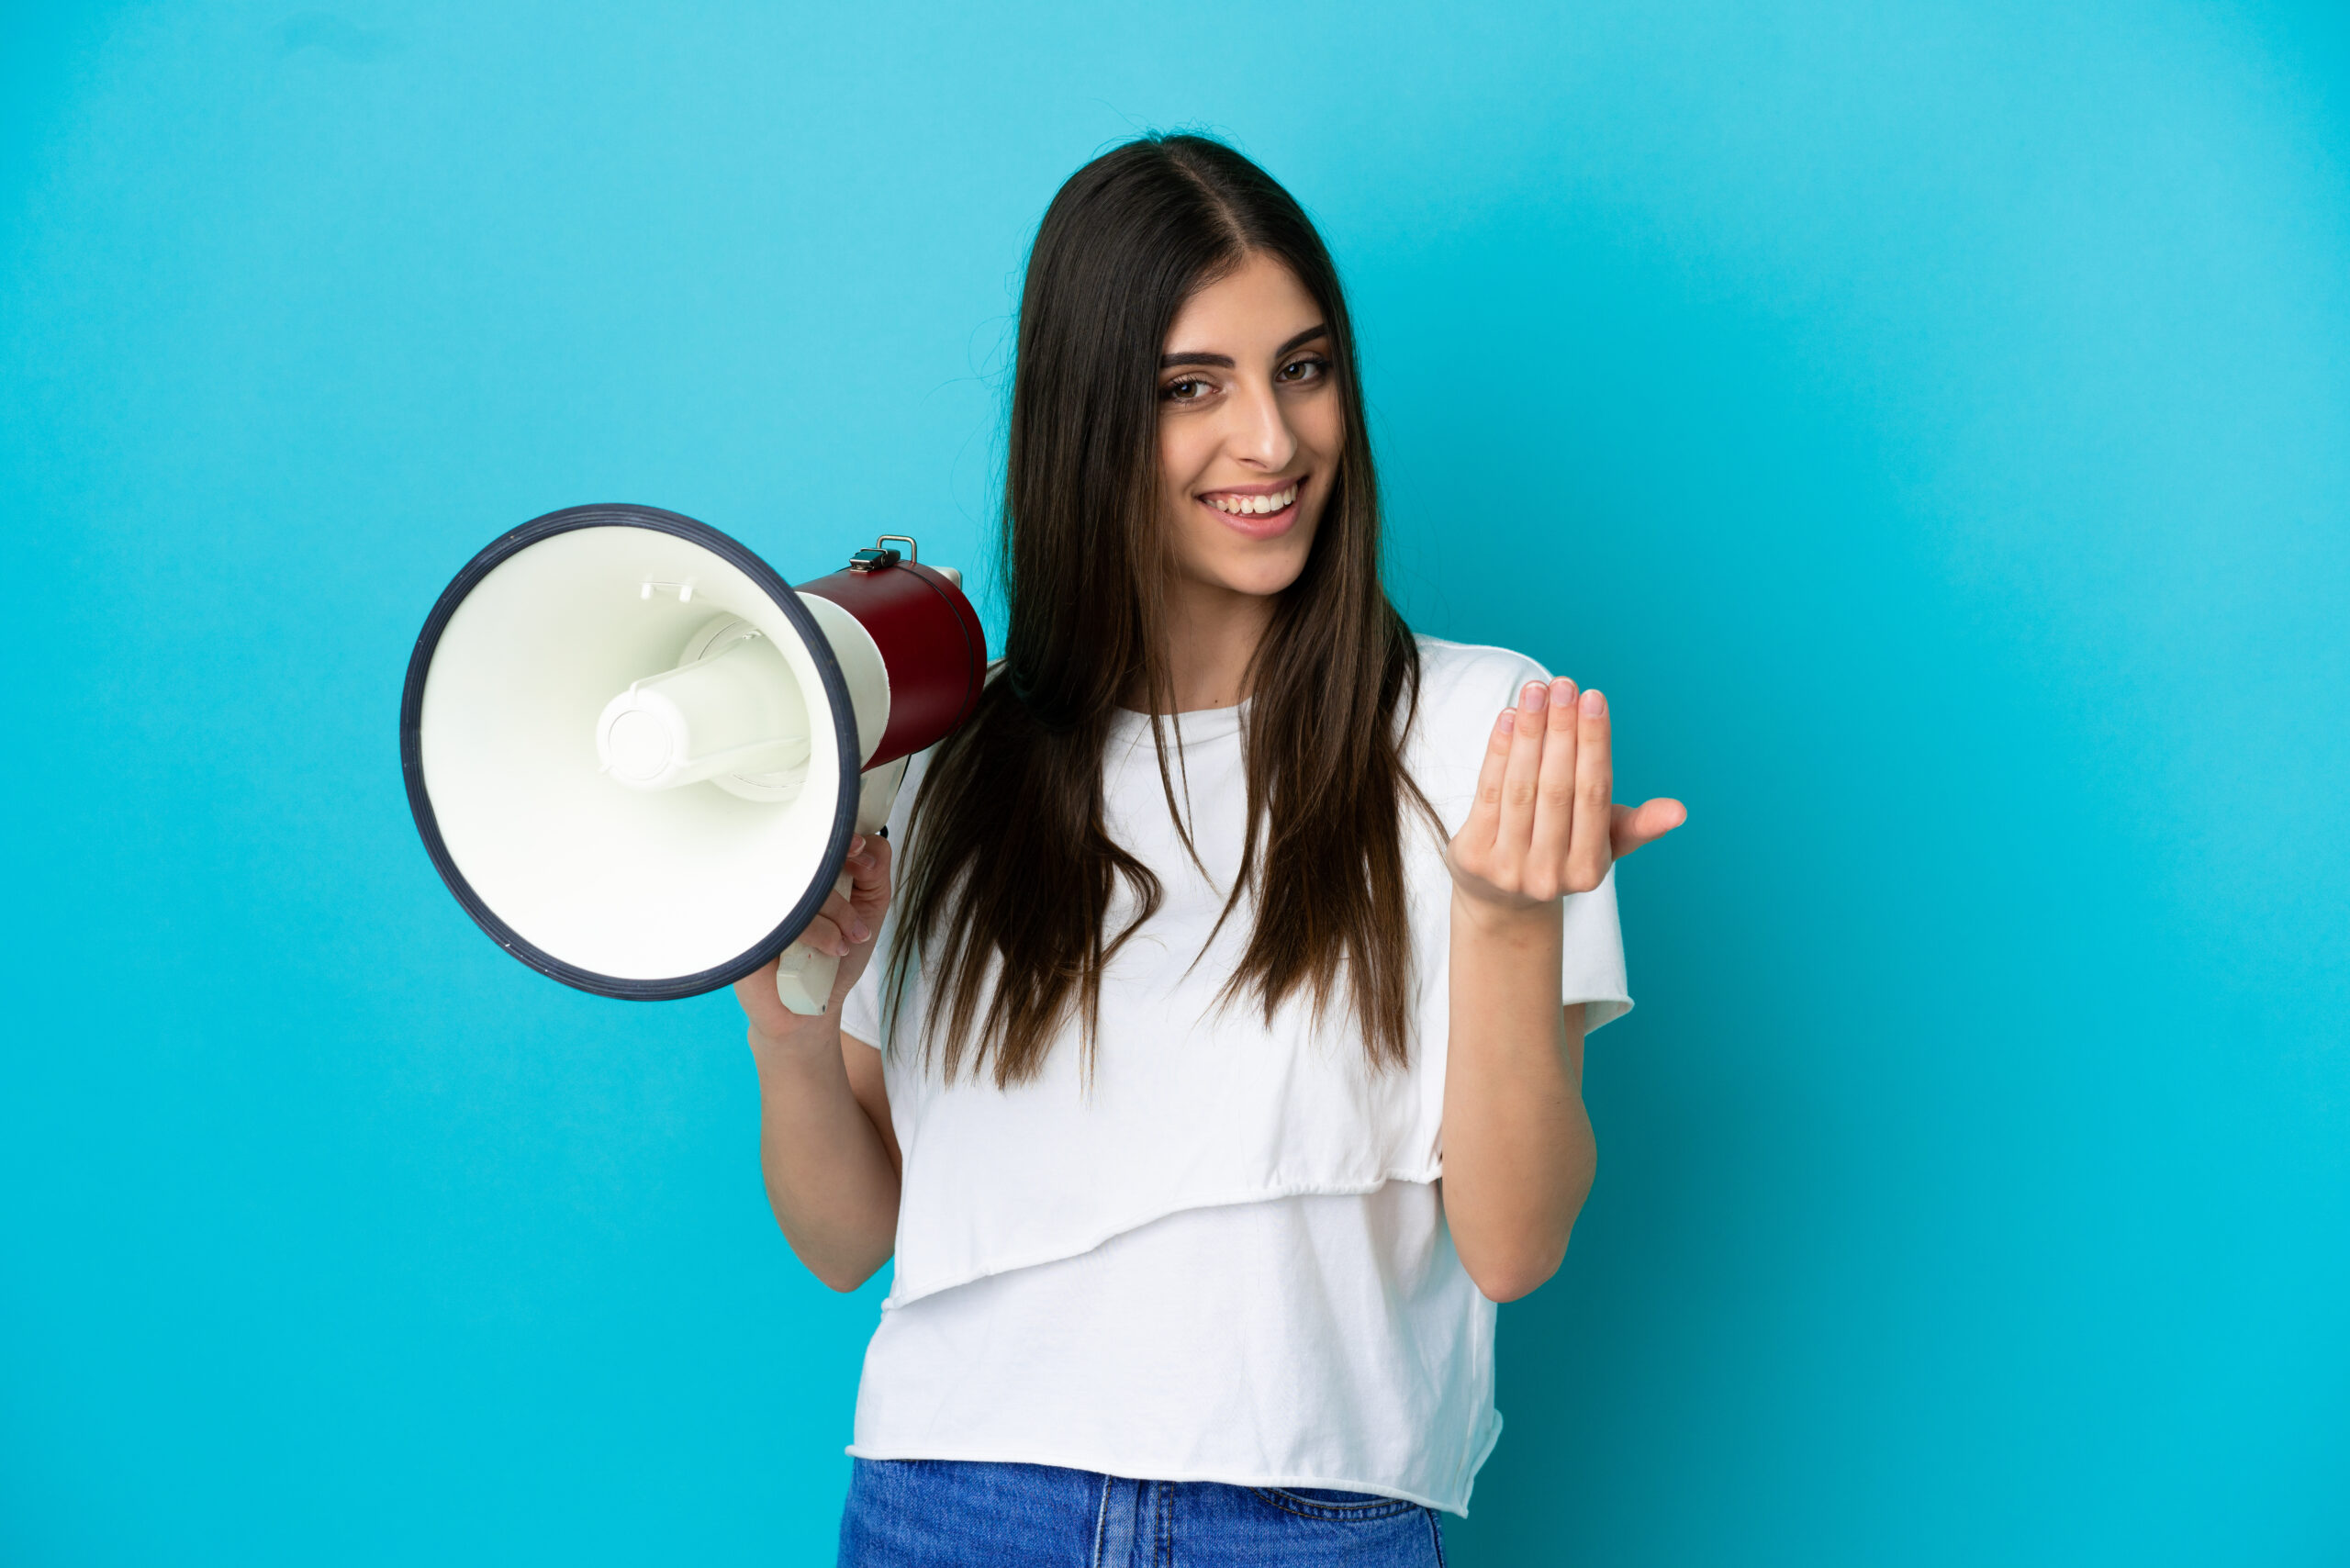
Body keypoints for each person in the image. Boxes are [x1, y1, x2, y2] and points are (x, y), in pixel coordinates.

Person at [733, 133, 1685, 1567]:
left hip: (1314, 1519)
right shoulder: (943, 753)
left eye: (1304, 369)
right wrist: (788, 1033)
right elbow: (847, 1238)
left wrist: (1501, 917)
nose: (1274, 440)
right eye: (1194, 387)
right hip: (952, 1498)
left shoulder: (1482, 727)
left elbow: (1514, 1244)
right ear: (1087, 418)